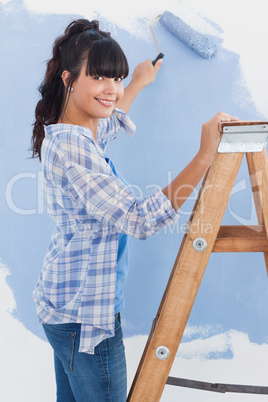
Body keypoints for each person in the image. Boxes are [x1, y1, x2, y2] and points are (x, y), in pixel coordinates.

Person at [31, 18, 238, 402]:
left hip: (64, 304)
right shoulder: (75, 148)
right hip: (86, 317)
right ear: (69, 79)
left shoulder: (70, 131)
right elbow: (138, 219)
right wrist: (206, 154)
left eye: (117, 78)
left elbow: (106, 124)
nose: (112, 89)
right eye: (100, 78)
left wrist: (139, 80)